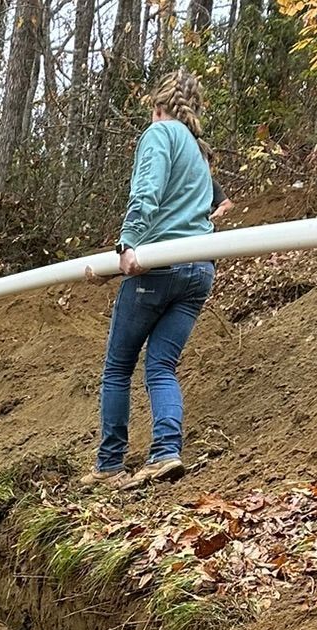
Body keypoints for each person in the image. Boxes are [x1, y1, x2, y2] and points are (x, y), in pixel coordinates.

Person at [89, 70, 217, 489]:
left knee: (117, 367)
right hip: (199, 269)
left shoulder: (160, 134)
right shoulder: (198, 151)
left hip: (159, 266)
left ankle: (109, 463)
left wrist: (128, 243)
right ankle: (165, 453)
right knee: (161, 365)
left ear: (157, 106)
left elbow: (147, 192)